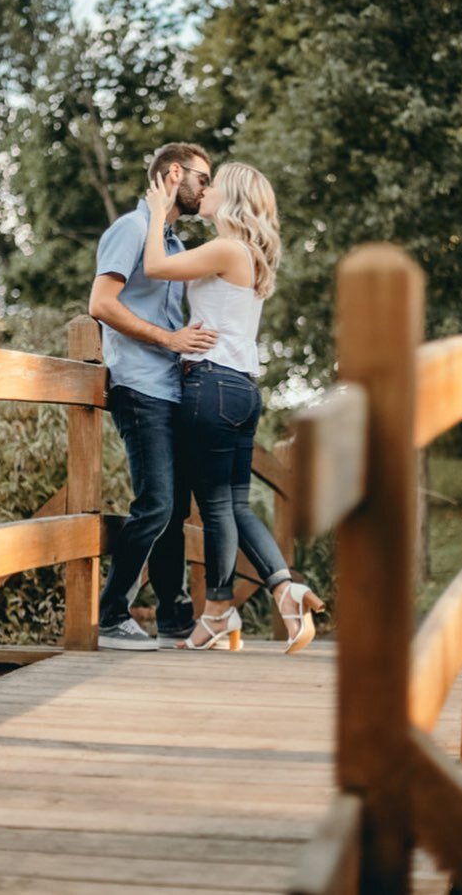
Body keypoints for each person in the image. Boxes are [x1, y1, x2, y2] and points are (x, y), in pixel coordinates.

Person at [143, 161, 325, 653]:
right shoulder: (246, 253)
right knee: (231, 505)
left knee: (218, 507)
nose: (204, 189)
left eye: (213, 183)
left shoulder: (226, 248)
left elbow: (155, 267)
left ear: (233, 199)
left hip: (211, 384)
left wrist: (159, 212)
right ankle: (281, 589)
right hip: (240, 388)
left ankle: (224, 610)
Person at [89, 143, 218, 650]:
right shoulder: (129, 229)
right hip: (139, 385)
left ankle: (174, 616)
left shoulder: (173, 249)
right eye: (201, 178)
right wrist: (169, 340)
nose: (205, 188)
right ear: (172, 174)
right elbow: (101, 303)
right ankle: (111, 614)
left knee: (175, 507)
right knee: (157, 502)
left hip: (171, 387)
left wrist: (183, 346)